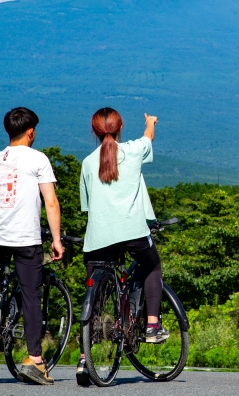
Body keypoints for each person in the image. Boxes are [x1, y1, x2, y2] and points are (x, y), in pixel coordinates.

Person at [76, 107, 166, 386]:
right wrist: (150, 122)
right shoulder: (134, 150)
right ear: (120, 127)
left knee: (95, 291)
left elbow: (87, 205)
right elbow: (148, 137)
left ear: (94, 131)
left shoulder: (88, 163)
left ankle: (83, 357)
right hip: (133, 232)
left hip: (98, 237)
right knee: (152, 265)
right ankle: (152, 324)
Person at [0, 107, 64, 386]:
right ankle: (34, 359)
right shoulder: (38, 158)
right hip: (25, 238)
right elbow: (51, 202)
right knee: (31, 296)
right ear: (31, 132)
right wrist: (56, 240)